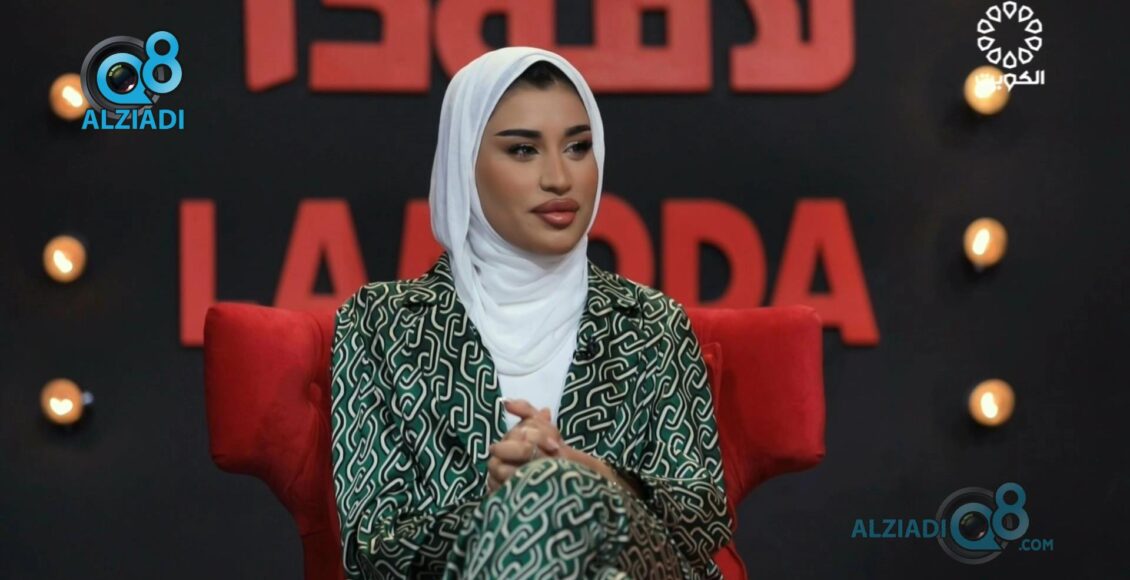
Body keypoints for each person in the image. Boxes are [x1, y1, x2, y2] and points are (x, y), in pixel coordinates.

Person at [330, 46, 732, 579]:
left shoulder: (652, 322)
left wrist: (591, 478)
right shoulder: (381, 324)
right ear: (463, 165)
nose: (560, 178)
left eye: (578, 147)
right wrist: (501, 507)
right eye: (523, 150)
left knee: (557, 491)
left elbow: (704, 518)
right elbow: (372, 543)